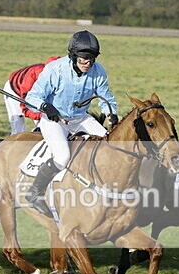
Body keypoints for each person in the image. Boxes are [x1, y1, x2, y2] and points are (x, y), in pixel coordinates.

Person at [23, 30, 118, 215]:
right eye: (83, 60)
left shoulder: (98, 71)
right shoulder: (55, 69)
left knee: (109, 145)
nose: (87, 64)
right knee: (62, 156)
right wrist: (45, 106)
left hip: (80, 117)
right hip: (54, 119)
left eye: (91, 60)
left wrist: (111, 114)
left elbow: (107, 98)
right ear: (73, 56)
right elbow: (33, 96)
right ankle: (34, 193)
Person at [3, 56, 60, 135]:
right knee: (18, 127)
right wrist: (42, 114)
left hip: (36, 90)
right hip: (14, 89)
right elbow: (25, 108)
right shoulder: (32, 80)